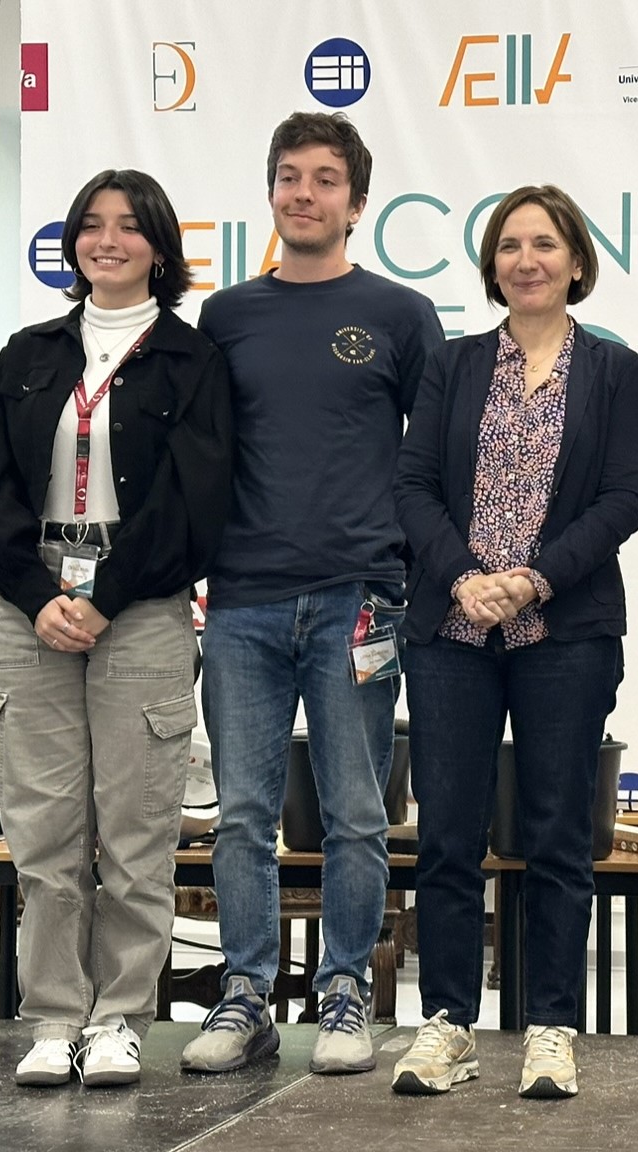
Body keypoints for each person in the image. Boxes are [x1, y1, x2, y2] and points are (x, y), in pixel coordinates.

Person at [0, 169, 233, 1088]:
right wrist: (37, 594)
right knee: (44, 835)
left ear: (159, 247)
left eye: (128, 226)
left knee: (137, 834)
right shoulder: (29, 353)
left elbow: (194, 500)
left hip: (141, 606)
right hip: (33, 605)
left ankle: (118, 1019)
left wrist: (106, 596)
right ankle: (52, 1018)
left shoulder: (192, 361)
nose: (106, 241)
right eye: (91, 225)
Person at [183, 111, 445, 1076]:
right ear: (270, 192)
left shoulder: (400, 314)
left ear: (356, 201)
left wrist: (416, 574)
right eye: (289, 176)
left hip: (358, 599)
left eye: (325, 179)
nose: (304, 193)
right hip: (243, 601)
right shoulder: (226, 317)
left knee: (357, 815)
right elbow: (204, 453)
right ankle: (246, 995)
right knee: (242, 814)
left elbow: (434, 459)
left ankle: (344, 993)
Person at [390, 185, 638, 1100]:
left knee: (557, 836)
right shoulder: (453, 364)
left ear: (577, 262)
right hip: (452, 627)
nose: (526, 260)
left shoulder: (615, 371)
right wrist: (466, 577)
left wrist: (533, 580)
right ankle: (448, 1025)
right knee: (448, 836)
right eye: (509, 245)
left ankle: (550, 1028)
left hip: (565, 629)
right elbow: (413, 485)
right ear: (491, 265)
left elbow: (622, 501)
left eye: (544, 244)